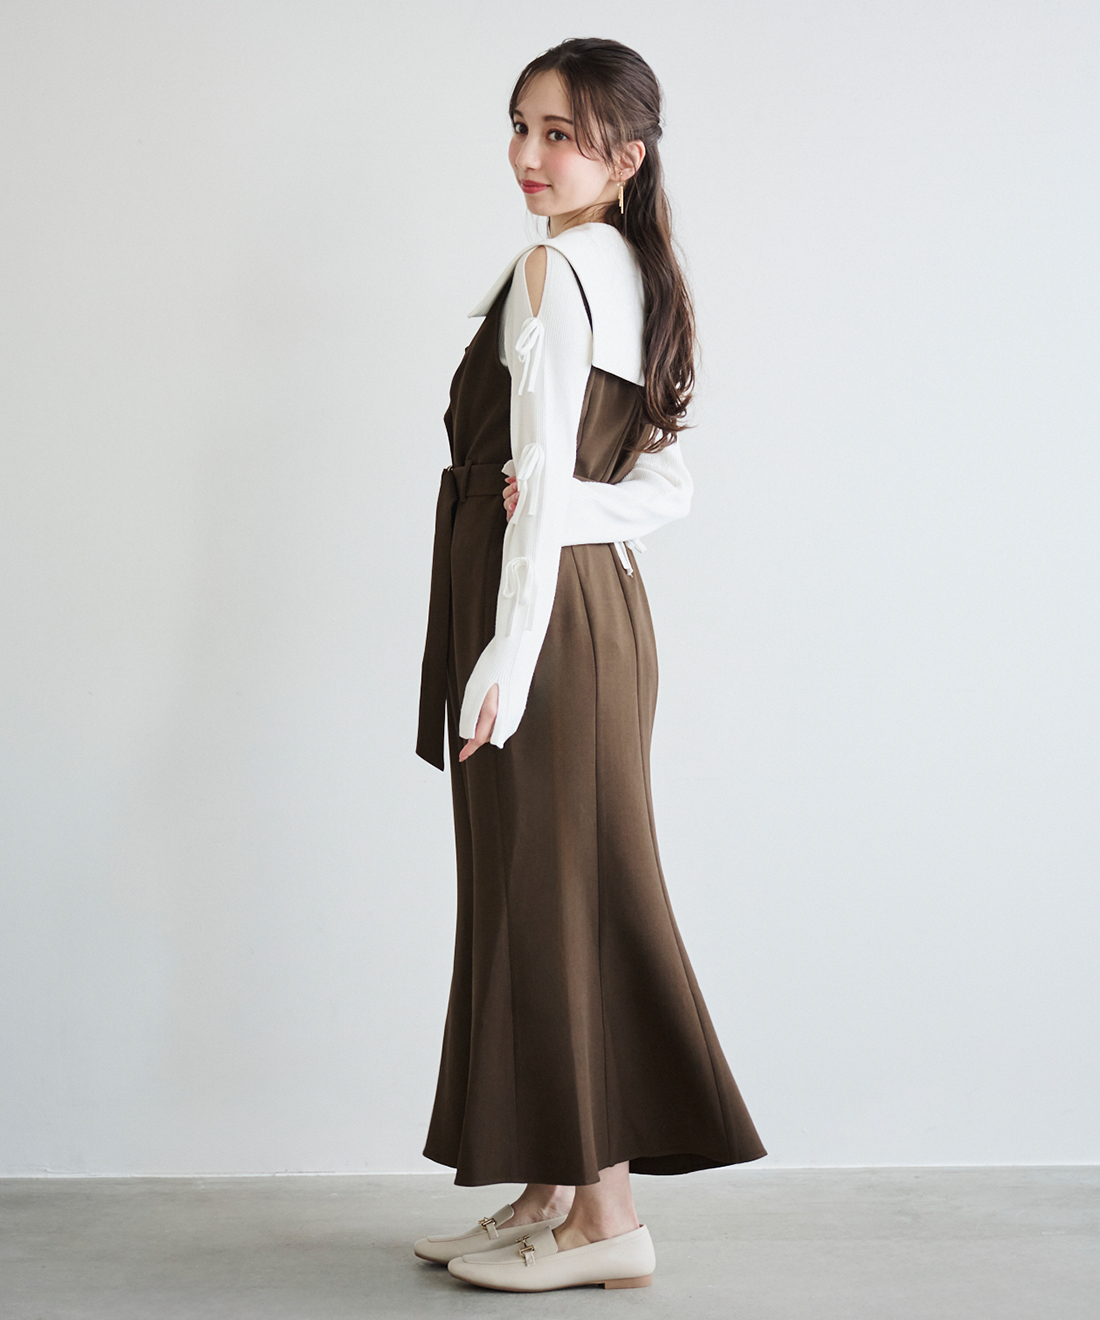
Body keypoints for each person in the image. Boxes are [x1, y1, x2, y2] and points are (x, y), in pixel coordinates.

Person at [413, 37, 766, 1293]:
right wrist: (560, 504)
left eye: (557, 133)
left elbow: (547, 503)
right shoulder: (630, 267)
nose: (526, 154)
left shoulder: (554, 269)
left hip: (544, 624)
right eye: (518, 125)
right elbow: (657, 488)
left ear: (623, 154)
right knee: (542, 896)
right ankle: (548, 1190)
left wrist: (505, 658)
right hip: (593, 614)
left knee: (560, 907)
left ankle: (603, 1218)